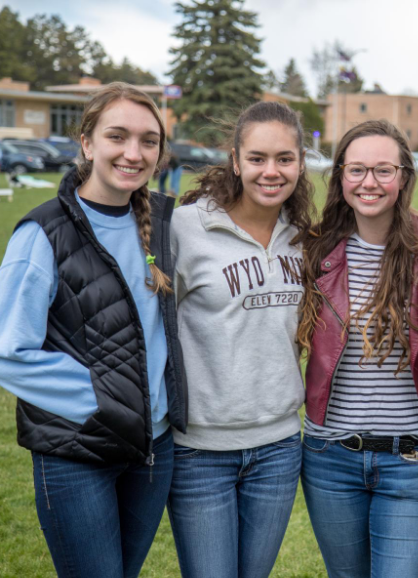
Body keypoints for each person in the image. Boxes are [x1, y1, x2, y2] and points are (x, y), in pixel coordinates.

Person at [0, 82, 188, 578]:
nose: (134, 152)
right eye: (118, 136)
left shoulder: (164, 224)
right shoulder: (43, 234)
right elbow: (8, 352)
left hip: (154, 450)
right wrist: (101, 404)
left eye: (149, 140)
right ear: (86, 143)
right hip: (76, 451)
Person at [168, 101, 314, 578]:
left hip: (278, 446)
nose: (271, 171)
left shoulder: (305, 238)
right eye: (257, 158)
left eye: (284, 159)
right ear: (235, 160)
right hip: (199, 452)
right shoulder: (185, 229)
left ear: (300, 162)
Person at [297, 119, 418, 578]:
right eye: (357, 169)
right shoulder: (314, 249)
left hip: (412, 458)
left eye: (384, 170)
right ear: (340, 175)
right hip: (329, 459)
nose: (369, 182)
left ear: (403, 176)